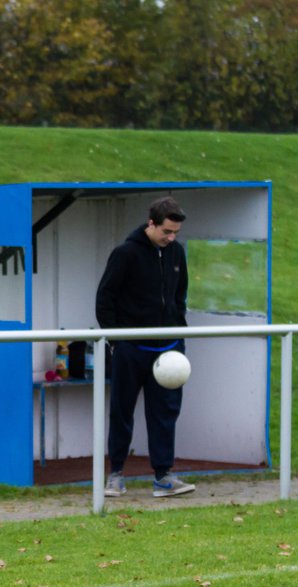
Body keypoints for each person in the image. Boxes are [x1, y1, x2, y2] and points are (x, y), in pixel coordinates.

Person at [95, 196, 195, 498]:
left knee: (165, 413)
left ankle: (163, 477)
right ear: (151, 224)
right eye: (166, 231)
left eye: (175, 232)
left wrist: (180, 340)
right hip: (131, 350)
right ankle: (115, 476)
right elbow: (105, 299)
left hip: (169, 351)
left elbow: (180, 298)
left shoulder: (176, 253)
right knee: (121, 411)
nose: (171, 237)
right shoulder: (125, 253)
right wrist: (117, 340)